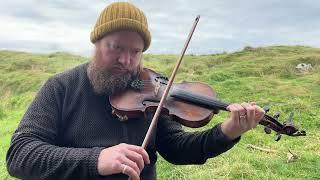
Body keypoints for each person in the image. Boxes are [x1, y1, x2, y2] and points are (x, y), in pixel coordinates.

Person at [6, 2, 265, 180]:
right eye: (116, 48)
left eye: (136, 51)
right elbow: (20, 154)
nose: (127, 61)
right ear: (96, 43)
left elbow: (178, 148)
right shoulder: (61, 87)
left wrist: (228, 132)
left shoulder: (152, 90)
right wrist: (96, 159)